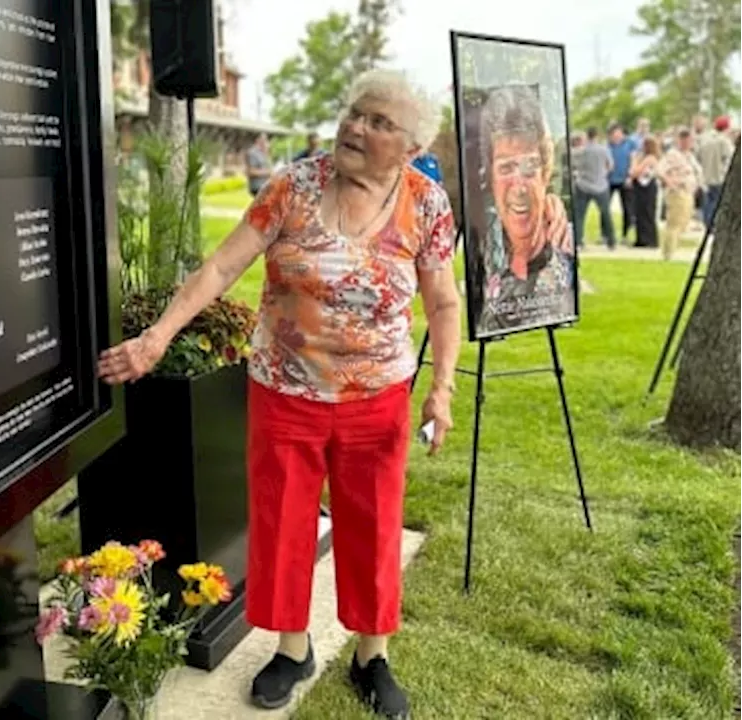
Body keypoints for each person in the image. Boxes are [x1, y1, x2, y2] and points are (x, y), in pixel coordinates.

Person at [98, 69, 461, 719]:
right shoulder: (294, 186)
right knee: (283, 522)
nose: (356, 127)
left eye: (379, 122)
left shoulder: (427, 203)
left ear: (408, 146)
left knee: (373, 525)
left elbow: (443, 299)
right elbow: (221, 266)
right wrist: (157, 337)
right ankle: (293, 649)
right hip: (285, 389)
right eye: (355, 112)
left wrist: (442, 388)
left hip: (376, 395)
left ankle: (370, 656)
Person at [474, 85, 575, 336]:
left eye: (530, 167)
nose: (519, 186)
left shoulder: (564, 248)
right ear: (491, 178)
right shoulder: (486, 243)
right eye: (506, 168)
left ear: (545, 172)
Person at [658, 128, 704, 261]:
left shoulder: (689, 156)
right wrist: (670, 182)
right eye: (689, 140)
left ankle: (673, 248)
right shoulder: (673, 155)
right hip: (678, 191)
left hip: (689, 191)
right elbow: (660, 170)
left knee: (683, 222)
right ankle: (668, 253)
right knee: (674, 223)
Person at [572, 126, 615, 250]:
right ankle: (610, 240)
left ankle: (578, 241)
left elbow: (575, 165)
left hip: (583, 184)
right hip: (600, 185)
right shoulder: (604, 150)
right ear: (597, 136)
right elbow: (610, 165)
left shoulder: (581, 151)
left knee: (580, 215)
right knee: (605, 213)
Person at [698, 116, 735, 231]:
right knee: (717, 203)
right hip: (720, 177)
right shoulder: (724, 141)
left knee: (708, 202)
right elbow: (730, 158)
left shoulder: (705, 140)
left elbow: (698, 157)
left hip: (706, 176)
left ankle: (707, 224)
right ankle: (713, 225)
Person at [628, 136, 662, 250]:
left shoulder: (650, 158)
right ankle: (641, 238)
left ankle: (649, 239)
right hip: (640, 187)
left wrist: (633, 160)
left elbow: (634, 172)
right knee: (639, 213)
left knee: (647, 212)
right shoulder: (643, 158)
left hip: (647, 188)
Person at [607, 123, 638, 241]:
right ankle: (607, 234)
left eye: (619, 134)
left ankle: (626, 234)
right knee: (605, 208)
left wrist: (630, 176)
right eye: (614, 134)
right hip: (610, 180)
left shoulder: (629, 144)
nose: (617, 136)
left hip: (625, 179)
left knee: (627, 208)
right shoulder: (608, 146)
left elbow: (634, 159)